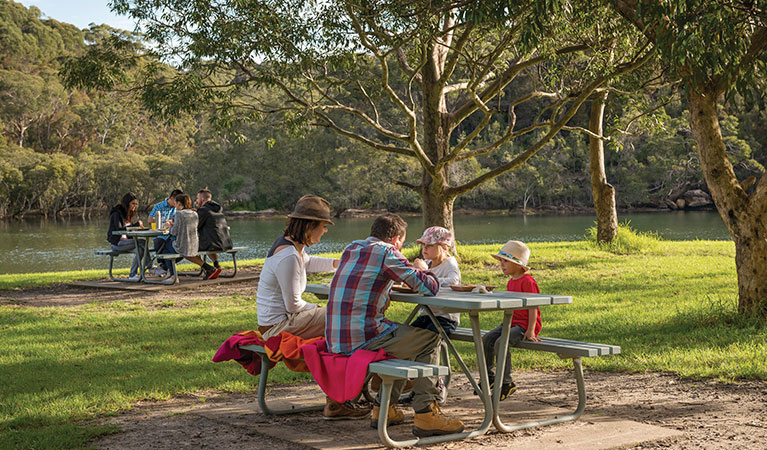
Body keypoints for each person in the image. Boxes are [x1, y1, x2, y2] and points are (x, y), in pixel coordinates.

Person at [325, 213, 464, 437]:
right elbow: (428, 287)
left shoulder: (352, 247)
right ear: (397, 239)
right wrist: (421, 268)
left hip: (336, 340)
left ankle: (384, 408)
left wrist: (385, 290)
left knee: (405, 337)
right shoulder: (387, 252)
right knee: (429, 338)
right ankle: (426, 413)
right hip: (364, 338)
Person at [256, 195, 367, 420]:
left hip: (280, 321)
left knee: (341, 322)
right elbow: (294, 305)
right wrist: (321, 308)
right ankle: (350, 393)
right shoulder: (288, 256)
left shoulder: (290, 247)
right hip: (278, 327)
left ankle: (340, 398)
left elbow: (309, 261)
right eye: (323, 226)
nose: (325, 231)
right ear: (310, 226)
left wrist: (340, 263)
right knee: (346, 318)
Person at [481, 240, 541, 401]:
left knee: (501, 343)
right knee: (486, 339)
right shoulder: (510, 282)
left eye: (505, 261)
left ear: (518, 264)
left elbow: (533, 307)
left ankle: (507, 382)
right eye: (501, 261)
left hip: (524, 325)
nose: (502, 264)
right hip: (510, 323)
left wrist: (530, 330)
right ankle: (489, 377)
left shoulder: (528, 281)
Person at [408, 226, 461, 404]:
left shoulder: (449, 263)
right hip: (427, 314)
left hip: (445, 318)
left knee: (429, 341)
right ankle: (418, 386)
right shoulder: (428, 265)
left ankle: (436, 384)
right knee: (408, 337)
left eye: (429, 245)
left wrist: (426, 275)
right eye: (423, 245)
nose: (424, 249)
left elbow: (453, 281)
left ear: (444, 248)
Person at [162, 194, 219, 280]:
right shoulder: (194, 213)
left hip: (182, 245)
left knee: (165, 248)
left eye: (175, 203)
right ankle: (208, 268)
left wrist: (169, 226)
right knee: (169, 247)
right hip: (194, 244)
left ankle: (172, 275)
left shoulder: (179, 214)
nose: (175, 205)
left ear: (179, 203)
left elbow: (174, 232)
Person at [107, 192, 150, 281]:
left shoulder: (128, 214)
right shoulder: (116, 213)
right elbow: (119, 230)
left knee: (141, 249)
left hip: (126, 243)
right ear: (127, 203)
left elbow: (129, 230)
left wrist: (138, 228)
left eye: (136, 204)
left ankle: (132, 275)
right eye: (133, 204)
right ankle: (151, 267)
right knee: (142, 242)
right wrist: (135, 225)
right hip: (117, 243)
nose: (134, 206)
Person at [196, 189, 232, 272]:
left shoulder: (203, 210)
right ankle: (216, 264)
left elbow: (195, 227)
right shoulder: (217, 209)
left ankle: (207, 268)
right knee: (209, 240)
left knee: (187, 248)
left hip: (214, 244)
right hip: (225, 243)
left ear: (202, 199)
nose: (197, 201)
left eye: (197, 198)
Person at [148, 189, 182, 276]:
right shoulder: (159, 206)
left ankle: (164, 267)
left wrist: (171, 222)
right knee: (162, 245)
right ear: (171, 198)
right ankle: (167, 269)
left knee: (181, 249)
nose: (178, 203)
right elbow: (150, 219)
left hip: (171, 235)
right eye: (176, 200)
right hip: (160, 236)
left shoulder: (177, 208)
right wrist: (162, 220)